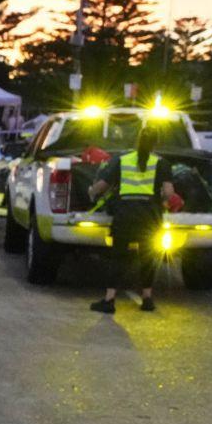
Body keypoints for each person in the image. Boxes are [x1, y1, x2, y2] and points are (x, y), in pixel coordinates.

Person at [87, 124, 178, 313]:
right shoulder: (161, 163)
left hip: (125, 214)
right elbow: (169, 193)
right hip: (149, 216)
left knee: (118, 257)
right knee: (147, 256)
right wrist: (160, 201)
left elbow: (103, 185)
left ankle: (109, 300)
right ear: (156, 143)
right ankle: (147, 299)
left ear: (137, 140)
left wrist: (91, 192)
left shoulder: (122, 159)